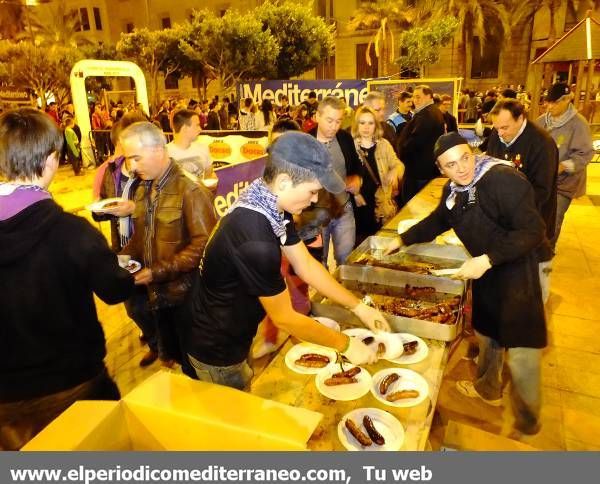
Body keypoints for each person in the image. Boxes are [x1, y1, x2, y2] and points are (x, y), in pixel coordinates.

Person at [185, 131, 390, 390]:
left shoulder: (270, 202)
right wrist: (347, 345)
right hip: (217, 348)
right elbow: (286, 318)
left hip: (236, 330)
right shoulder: (255, 238)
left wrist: (358, 307)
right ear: (283, 182)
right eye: (312, 191)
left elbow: (305, 264)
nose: (315, 199)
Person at [385, 132, 548, 436]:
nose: (461, 168)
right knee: (488, 334)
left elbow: (533, 231)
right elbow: (437, 221)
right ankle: (488, 389)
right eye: (451, 165)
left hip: (515, 272)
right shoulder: (453, 190)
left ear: (473, 153)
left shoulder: (502, 180)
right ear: (440, 169)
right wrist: (401, 239)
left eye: (465, 158)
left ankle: (528, 420)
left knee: (522, 347)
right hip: (484, 272)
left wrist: (487, 259)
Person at [0, 108, 134, 450]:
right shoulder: (73, 234)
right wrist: (121, 267)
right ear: (49, 161)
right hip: (74, 387)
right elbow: (115, 288)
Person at [119, 122, 217, 374]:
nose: (131, 167)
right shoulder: (143, 188)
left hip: (188, 299)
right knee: (175, 360)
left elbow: (204, 246)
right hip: (160, 298)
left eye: (135, 158)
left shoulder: (191, 189)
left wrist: (156, 272)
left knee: (194, 367)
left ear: (158, 150)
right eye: (128, 159)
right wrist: (122, 257)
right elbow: (140, 237)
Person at [487, 99, 558, 303]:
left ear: (520, 118)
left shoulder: (541, 143)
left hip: (533, 218)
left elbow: (542, 191)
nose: (500, 133)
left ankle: (535, 306)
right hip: (505, 218)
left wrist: (508, 207)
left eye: (505, 127)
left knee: (534, 267)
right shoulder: (497, 135)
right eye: (496, 127)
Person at [536, 83, 594, 250]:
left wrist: (562, 166)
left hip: (564, 184)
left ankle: (547, 252)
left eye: (554, 103)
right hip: (543, 181)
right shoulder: (541, 121)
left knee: (554, 221)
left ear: (566, 100)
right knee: (537, 217)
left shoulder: (578, 124)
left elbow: (585, 154)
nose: (549, 106)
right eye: (548, 102)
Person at [310, 95, 362, 267]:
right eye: (329, 120)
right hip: (316, 214)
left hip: (344, 209)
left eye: (338, 121)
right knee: (319, 262)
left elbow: (356, 167)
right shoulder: (304, 142)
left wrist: (357, 180)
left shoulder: (345, 139)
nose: (334, 126)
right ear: (317, 116)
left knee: (346, 258)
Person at [351, 105, 404, 243]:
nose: (366, 127)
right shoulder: (350, 146)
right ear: (357, 125)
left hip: (379, 204)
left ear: (376, 125)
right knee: (358, 244)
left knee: (379, 243)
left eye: (370, 123)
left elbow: (399, 165)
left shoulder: (383, 145)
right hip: (357, 205)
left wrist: (394, 170)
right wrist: (355, 193)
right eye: (362, 123)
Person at [396, 85, 445, 206]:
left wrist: (401, 152)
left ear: (429, 96)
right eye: (414, 97)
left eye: (418, 97)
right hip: (425, 170)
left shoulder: (426, 115)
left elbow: (415, 141)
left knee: (413, 207)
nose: (415, 100)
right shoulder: (432, 111)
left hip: (418, 172)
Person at [166, 109, 213, 184]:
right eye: (197, 125)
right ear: (185, 128)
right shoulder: (164, 154)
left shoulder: (203, 149)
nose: (200, 129)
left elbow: (210, 174)